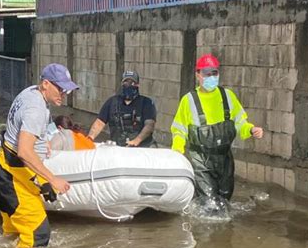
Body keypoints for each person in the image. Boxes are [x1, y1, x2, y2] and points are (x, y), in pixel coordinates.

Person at [0, 63, 76, 248]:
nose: (63, 94)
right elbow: (24, 151)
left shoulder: (31, 92)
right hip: (12, 174)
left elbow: (25, 132)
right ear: (46, 84)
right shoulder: (36, 108)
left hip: (8, 167)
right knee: (38, 233)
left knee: (13, 233)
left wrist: (41, 140)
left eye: (67, 90)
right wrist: (52, 179)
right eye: (60, 88)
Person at [171, 54, 264, 205]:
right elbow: (179, 130)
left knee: (224, 202)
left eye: (214, 73)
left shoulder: (228, 96)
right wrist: (177, 151)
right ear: (198, 75)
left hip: (225, 159)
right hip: (201, 161)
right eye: (206, 74)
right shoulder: (189, 100)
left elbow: (240, 123)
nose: (211, 77)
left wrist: (251, 129)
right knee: (210, 204)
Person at [87, 70, 157, 147]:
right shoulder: (112, 102)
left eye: (132, 83)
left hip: (141, 148)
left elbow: (149, 125)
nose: (128, 85)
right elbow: (99, 122)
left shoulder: (146, 103)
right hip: (119, 149)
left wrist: (137, 140)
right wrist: (90, 138)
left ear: (138, 85)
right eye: (126, 82)